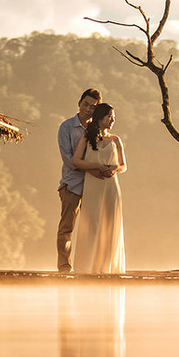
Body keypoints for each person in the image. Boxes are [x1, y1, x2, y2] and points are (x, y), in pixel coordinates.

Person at [71, 102, 126, 274]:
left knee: (109, 225)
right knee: (92, 223)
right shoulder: (87, 138)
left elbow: (123, 165)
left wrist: (113, 169)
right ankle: (87, 267)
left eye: (113, 118)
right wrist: (96, 167)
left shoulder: (116, 140)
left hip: (111, 186)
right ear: (100, 117)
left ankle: (106, 267)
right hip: (93, 184)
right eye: (109, 117)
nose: (112, 121)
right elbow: (76, 161)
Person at [57, 89, 107, 273]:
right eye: (85, 104)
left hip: (95, 186)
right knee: (66, 229)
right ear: (79, 103)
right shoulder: (67, 127)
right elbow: (68, 159)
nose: (87, 109)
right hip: (72, 184)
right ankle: (64, 267)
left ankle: (90, 266)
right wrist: (93, 169)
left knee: (93, 229)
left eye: (92, 107)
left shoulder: (99, 129)